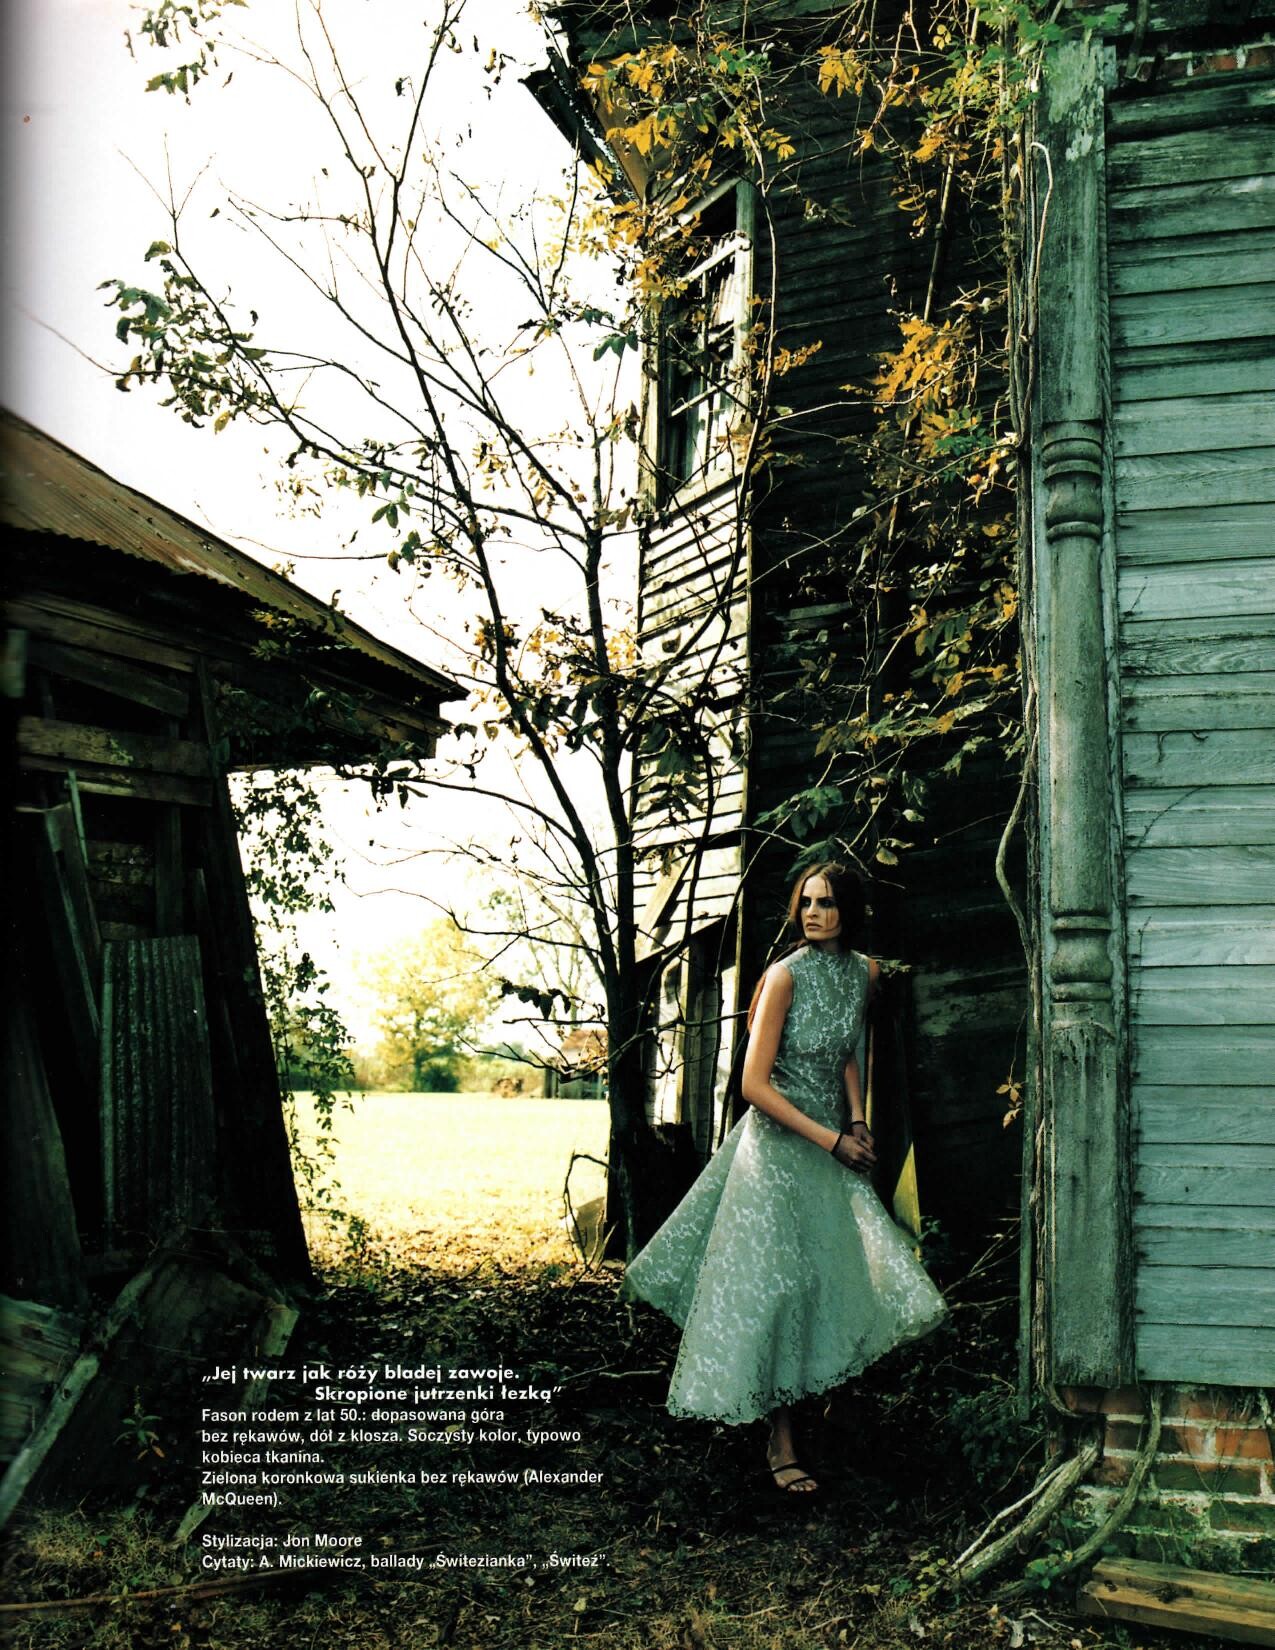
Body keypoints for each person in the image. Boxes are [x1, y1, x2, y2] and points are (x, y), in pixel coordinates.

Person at [623, 862, 946, 1494]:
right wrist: (831, 1140)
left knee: (838, 1276)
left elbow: (846, 1052)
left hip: (832, 1146)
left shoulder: (865, 973)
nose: (814, 914)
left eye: (827, 903)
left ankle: (831, 1405)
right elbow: (751, 1084)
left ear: (850, 910)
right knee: (778, 1289)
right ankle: (781, 1438)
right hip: (775, 1152)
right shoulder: (782, 976)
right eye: (806, 903)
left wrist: (857, 1119)